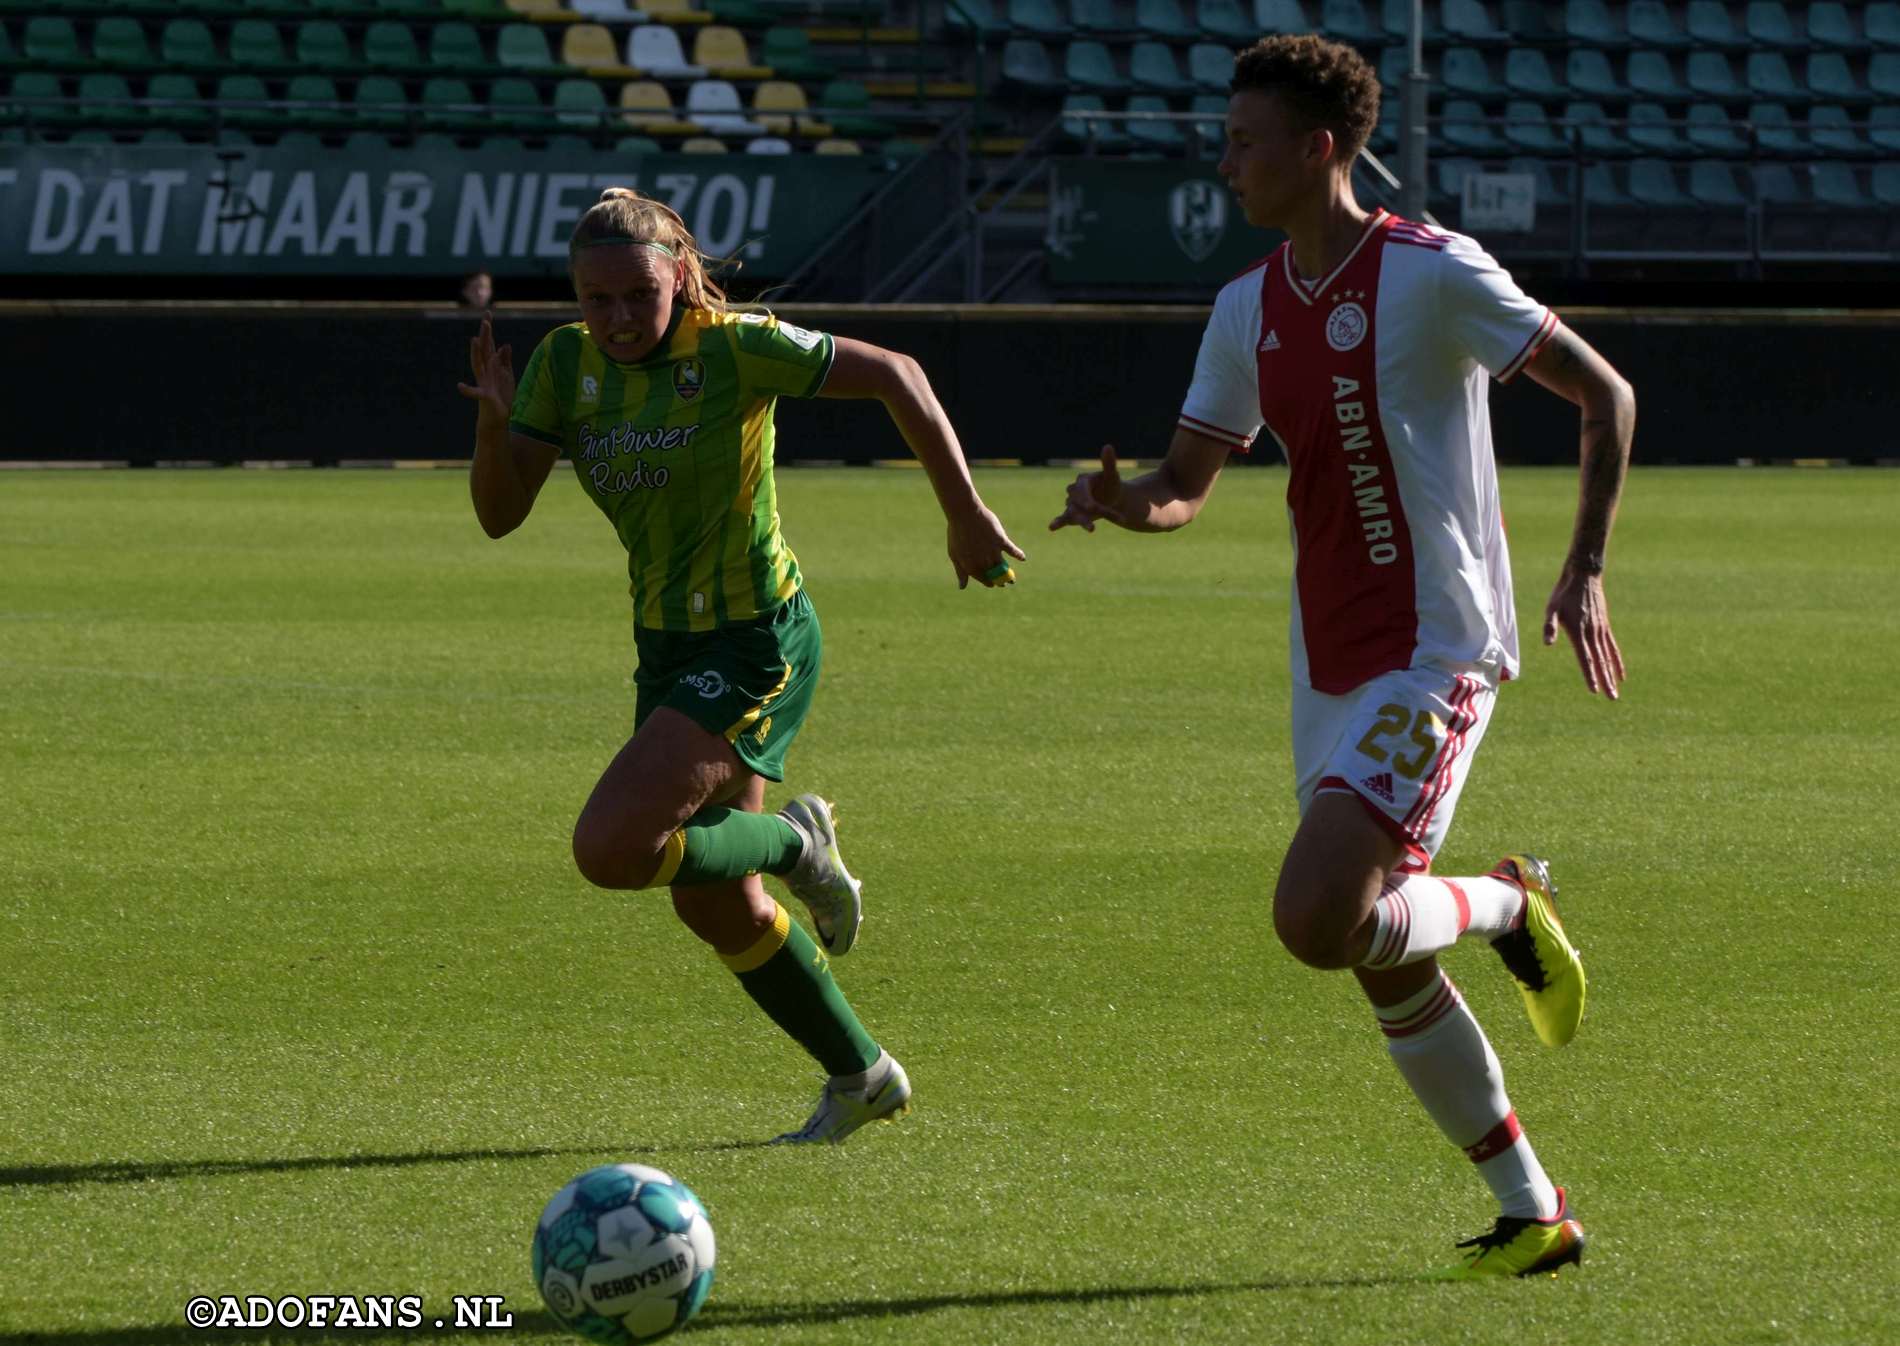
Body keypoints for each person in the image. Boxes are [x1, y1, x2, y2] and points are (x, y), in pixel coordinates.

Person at [1050, 35, 1633, 1277]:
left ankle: (1509, 904)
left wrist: (1581, 566)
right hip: (1329, 667)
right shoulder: (1244, 307)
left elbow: (1605, 394)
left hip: (1437, 647)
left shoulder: (1433, 273)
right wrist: (1123, 500)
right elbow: (1187, 482)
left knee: (1319, 913)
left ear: (1318, 149)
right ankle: (1534, 1213)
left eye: (1244, 141)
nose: (1225, 162)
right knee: (1372, 948)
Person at [457, 186, 1024, 1144]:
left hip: (757, 638)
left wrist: (963, 511)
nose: (620, 318)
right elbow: (499, 513)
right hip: (666, 645)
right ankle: (863, 1076)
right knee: (715, 904)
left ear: (678, 274)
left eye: (639, 294)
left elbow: (899, 373)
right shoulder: (562, 364)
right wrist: (494, 423)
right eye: (598, 301)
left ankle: (801, 841)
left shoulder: (732, 345)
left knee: (610, 849)